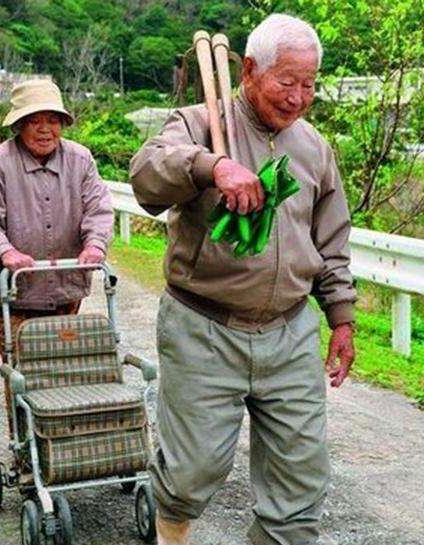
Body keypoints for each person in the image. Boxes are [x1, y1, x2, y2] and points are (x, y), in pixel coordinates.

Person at [130, 13, 356, 545]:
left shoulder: (313, 148)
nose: (299, 97)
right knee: (190, 475)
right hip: (204, 326)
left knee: (299, 494)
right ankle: (171, 532)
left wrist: (341, 317)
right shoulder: (198, 122)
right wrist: (213, 167)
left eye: (309, 84)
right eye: (287, 81)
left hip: (290, 331)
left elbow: (331, 241)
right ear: (250, 71)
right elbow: (146, 173)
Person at [0, 79, 113, 435]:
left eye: (53, 119)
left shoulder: (80, 160)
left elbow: (98, 209)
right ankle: (26, 457)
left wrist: (95, 245)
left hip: (65, 290)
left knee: (63, 369)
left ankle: (60, 449)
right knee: (23, 373)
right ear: (19, 125)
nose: (45, 129)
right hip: (13, 295)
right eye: (35, 120)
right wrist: (6, 252)